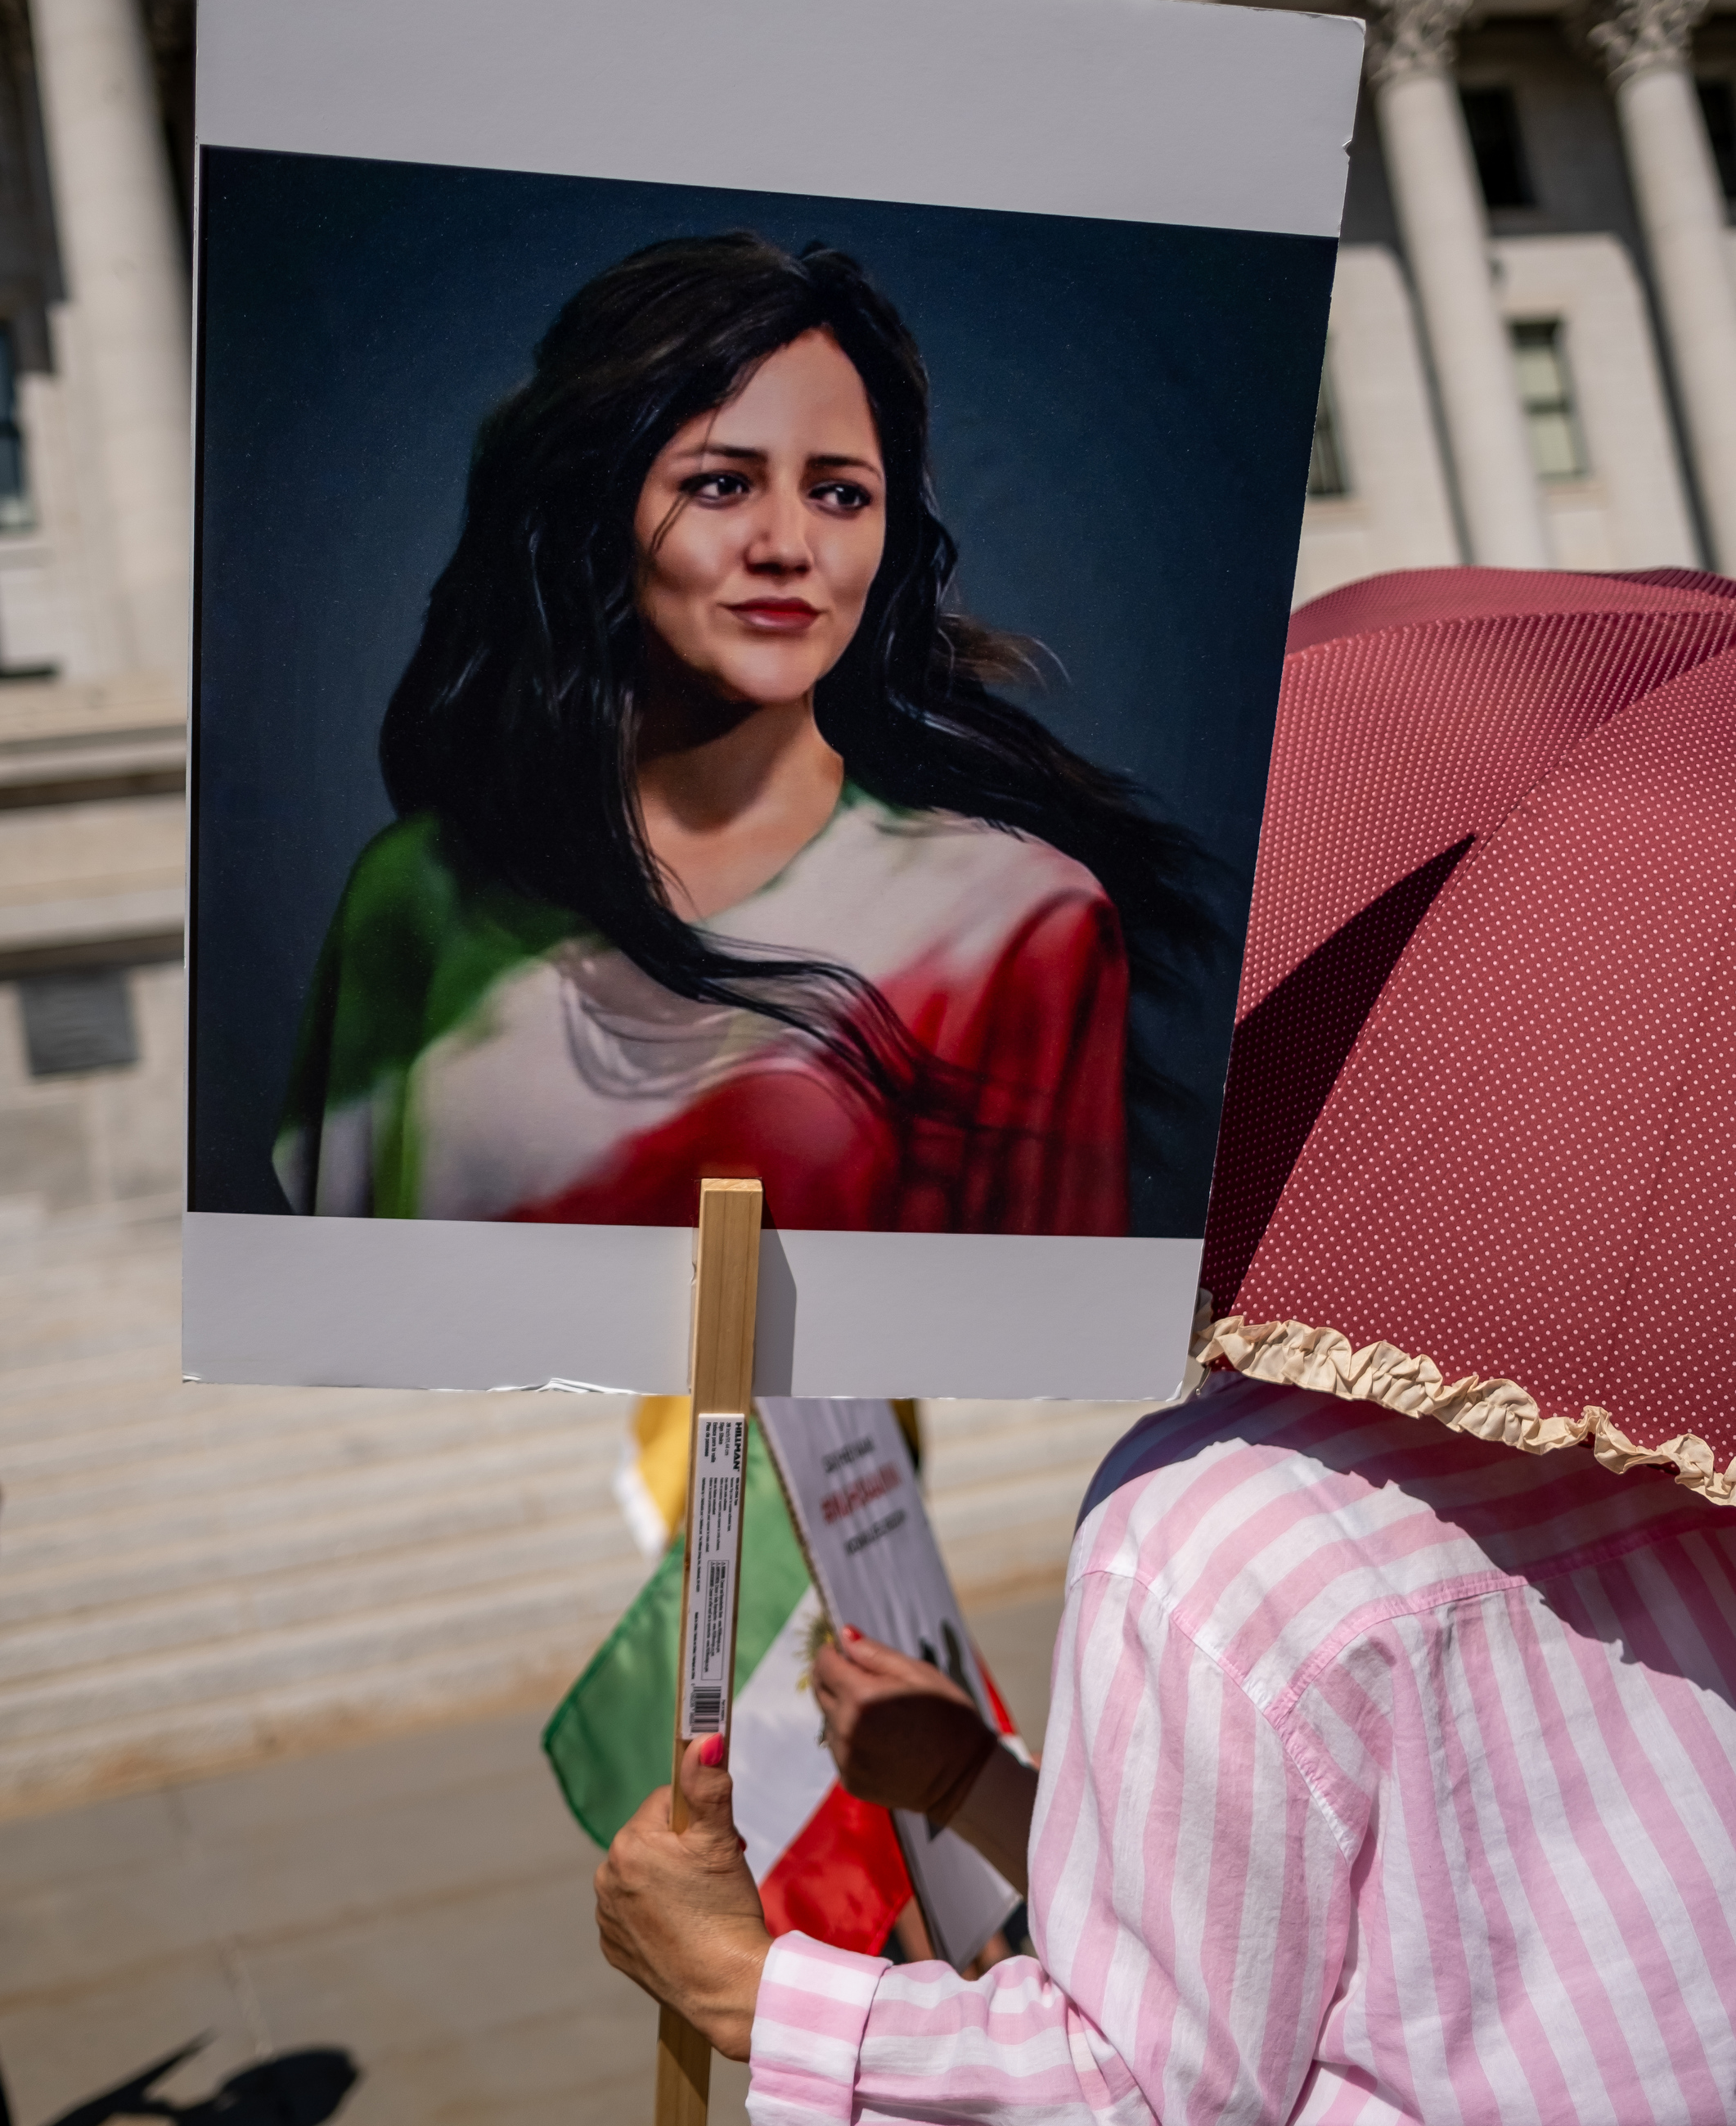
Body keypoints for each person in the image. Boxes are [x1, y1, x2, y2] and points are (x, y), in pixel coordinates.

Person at [275, 232, 1207, 1234]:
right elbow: (349, 1286)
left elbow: (1025, 1350)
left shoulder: (1015, 922)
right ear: (595, 507)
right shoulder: (415, 892)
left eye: (840, 493)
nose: (786, 547)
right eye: (721, 483)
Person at [594, 1367, 1736, 2121]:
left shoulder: (1200, 1521)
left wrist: (748, 1990)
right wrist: (973, 1783)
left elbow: (1142, 2091)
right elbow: (1330, 1905)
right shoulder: (1677, 1426)